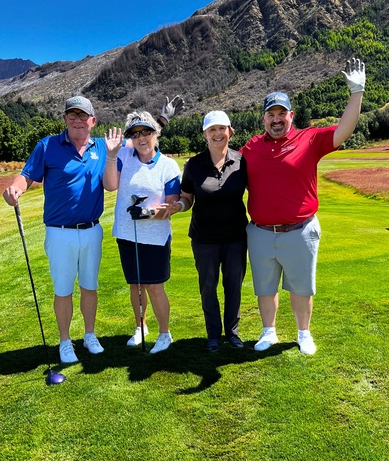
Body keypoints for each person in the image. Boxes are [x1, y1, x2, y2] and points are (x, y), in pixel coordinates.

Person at [3, 95, 183, 364]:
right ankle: (65, 342)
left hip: (91, 230)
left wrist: (163, 120)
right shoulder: (48, 145)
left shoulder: (103, 146)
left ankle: (89, 335)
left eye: (82, 115)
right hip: (59, 231)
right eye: (72, 115)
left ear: (93, 121)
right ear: (65, 118)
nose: (77, 120)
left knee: (89, 286)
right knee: (63, 289)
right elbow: (27, 175)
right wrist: (15, 188)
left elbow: (142, 138)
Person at [241, 57, 366, 355]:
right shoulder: (251, 147)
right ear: (263, 119)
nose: (276, 119)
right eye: (271, 114)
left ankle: (303, 333)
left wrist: (357, 93)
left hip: (300, 230)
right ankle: (268, 332)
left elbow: (343, 131)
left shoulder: (308, 139)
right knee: (265, 287)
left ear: (291, 116)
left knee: (301, 287)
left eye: (281, 114)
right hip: (260, 232)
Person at [166, 111, 248, 352]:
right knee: (208, 287)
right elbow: (187, 198)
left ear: (230, 131)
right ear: (205, 134)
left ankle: (232, 332)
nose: (217, 134)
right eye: (212, 129)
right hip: (204, 239)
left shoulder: (242, 161)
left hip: (236, 237)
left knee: (234, 286)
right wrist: (178, 206)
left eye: (222, 128)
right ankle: (213, 334)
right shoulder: (193, 165)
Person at [103, 111, 181, 354]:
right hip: (127, 235)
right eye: (135, 134)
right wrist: (111, 155)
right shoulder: (124, 156)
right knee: (136, 286)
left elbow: (171, 205)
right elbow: (110, 185)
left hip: (156, 237)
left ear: (156, 134)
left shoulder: (168, 166)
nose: (141, 138)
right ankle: (140, 327)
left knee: (155, 287)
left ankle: (165, 333)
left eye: (146, 132)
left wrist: (147, 213)